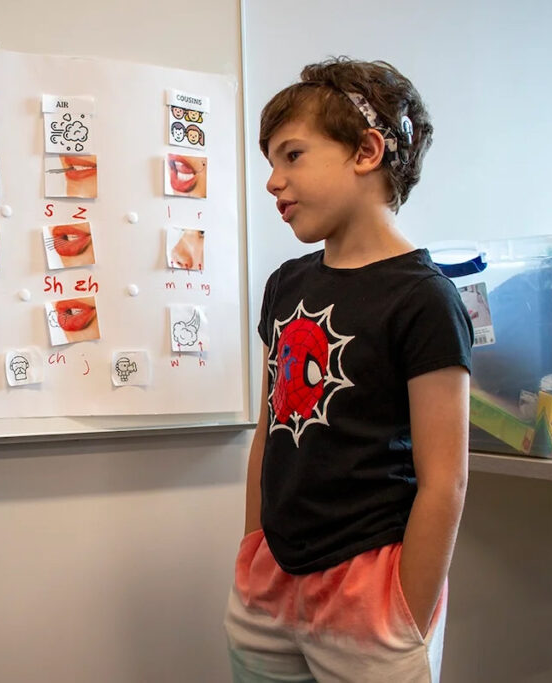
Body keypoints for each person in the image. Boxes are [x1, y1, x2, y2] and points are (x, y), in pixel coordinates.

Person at [224, 58, 473, 683]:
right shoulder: (286, 284)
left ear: (365, 151)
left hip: (373, 599)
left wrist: (406, 615)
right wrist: (253, 548)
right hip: (270, 583)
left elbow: (446, 479)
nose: (273, 182)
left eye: (292, 155)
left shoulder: (424, 298)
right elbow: (267, 434)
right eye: (270, 163)